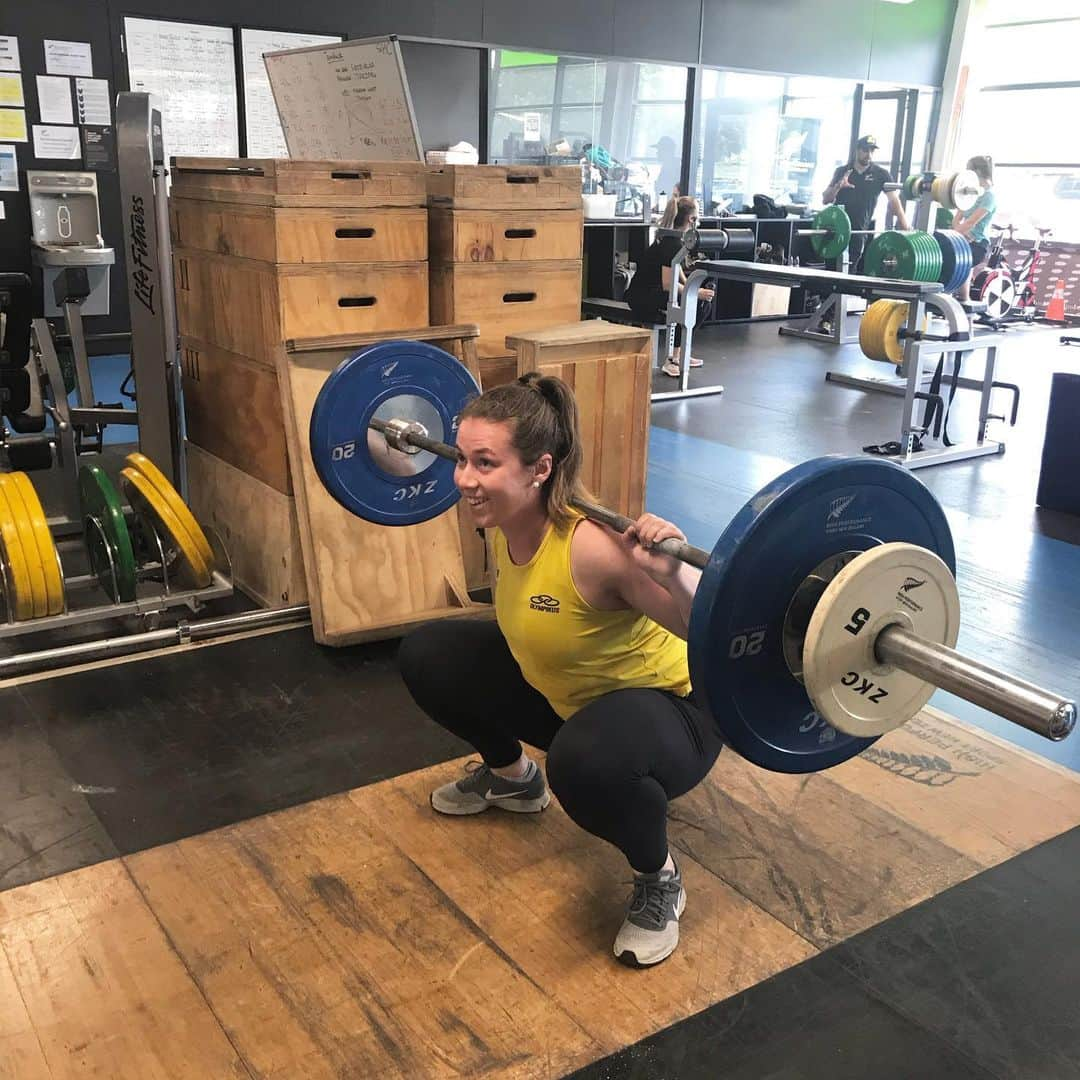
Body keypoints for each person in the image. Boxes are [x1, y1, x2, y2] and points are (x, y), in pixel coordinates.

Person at [398, 374, 722, 967]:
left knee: (583, 760)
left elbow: (712, 632)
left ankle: (659, 877)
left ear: (539, 469)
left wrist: (674, 571)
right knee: (428, 656)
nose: (464, 478)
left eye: (485, 463)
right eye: (463, 458)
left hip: (674, 713)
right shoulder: (501, 518)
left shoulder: (593, 547)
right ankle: (515, 781)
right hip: (574, 698)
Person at [624, 196, 715, 378]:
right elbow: (668, 284)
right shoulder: (671, 243)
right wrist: (695, 292)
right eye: (697, 216)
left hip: (653, 292)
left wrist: (695, 289)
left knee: (701, 302)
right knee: (688, 300)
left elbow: (677, 272)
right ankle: (671, 359)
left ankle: (680, 354)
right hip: (641, 296)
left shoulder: (676, 240)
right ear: (691, 219)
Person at [822, 135, 910, 271]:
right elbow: (825, 199)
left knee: (849, 272)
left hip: (858, 232)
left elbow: (894, 200)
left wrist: (905, 225)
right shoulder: (842, 171)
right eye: (865, 150)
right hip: (835, 231)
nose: (868, 154)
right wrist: (838, 186)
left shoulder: (881, 174)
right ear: (857, 150)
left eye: (871, 151)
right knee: (830, 272)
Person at [951, 155, 996, 302]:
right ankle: (964, 300)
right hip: (964, 239)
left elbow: (972, 222)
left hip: (978, 244)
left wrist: (955, 236)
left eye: (969, 170)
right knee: (962, 264)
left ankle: (960, 299)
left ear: (977, 172)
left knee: (960, 263)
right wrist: (958, 235)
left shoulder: (989, 197)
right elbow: (957, 218)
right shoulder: (970, 193)